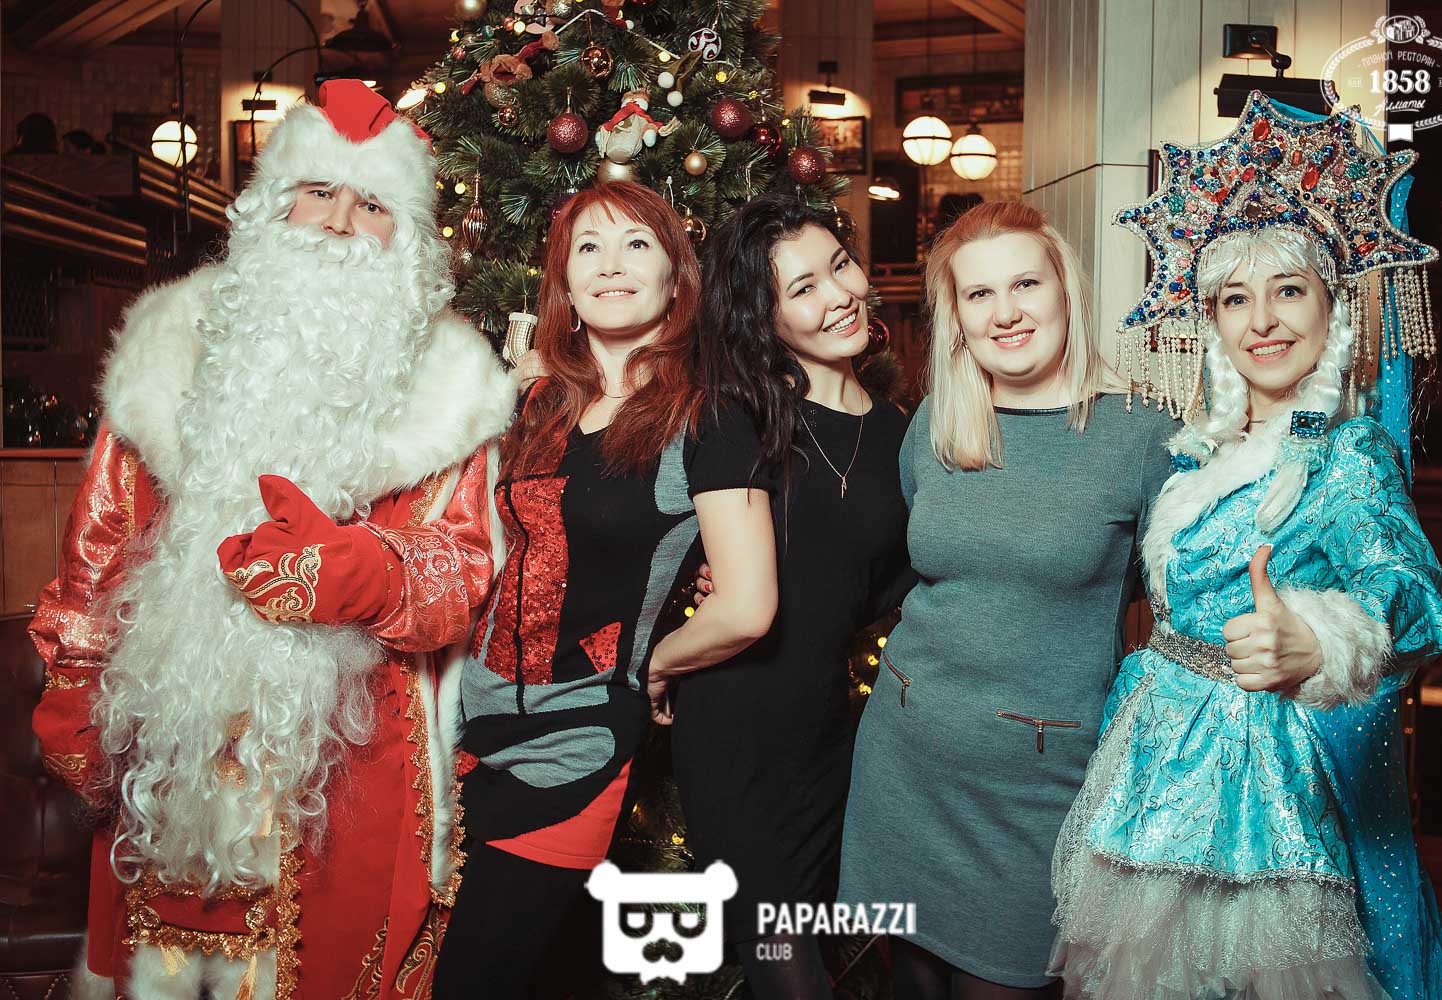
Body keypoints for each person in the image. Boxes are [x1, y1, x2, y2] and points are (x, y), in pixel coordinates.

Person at [28, 81, 514, 998]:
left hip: (350, 772)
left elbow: (463, 572)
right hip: (167, 752)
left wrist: (365, 573)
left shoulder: (451, 387)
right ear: (271, 205)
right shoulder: (169, 353)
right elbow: (99, 547)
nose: (338, 223)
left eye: (372, 204)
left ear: (407, 240)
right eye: (318, 192)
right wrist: (76, 689)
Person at [1049, 92, 1442, 1000]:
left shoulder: (1350, 455)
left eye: (1288, 290)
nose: (1262, 320)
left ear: (1330, 309)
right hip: (1154, 767)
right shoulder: (1201, 452)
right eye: (1236, 298)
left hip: (1256, 793)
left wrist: (1321, 638)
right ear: (1214, 321)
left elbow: (1416, 599)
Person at [432, 181, 779, 997]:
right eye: (588, 247)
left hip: (573, 747)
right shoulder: (535, 403)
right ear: (564, 281)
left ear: (675, 276)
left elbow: (748, 603)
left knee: (472, 982)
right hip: (464, 730)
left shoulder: (708, 415)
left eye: (636, 244)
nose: (610, 265)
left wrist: (653, 667)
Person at [837, 200, 1178, 999]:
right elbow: (911, 563)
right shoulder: (937, 422)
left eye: (1025, 283)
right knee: (909, 985)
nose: (1006, 312)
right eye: (979, 294)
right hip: (905, 764)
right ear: (956, 317)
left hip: (1039, 788)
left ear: (1065, 288)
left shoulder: (1142, 434)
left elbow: (1177, 608)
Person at [672, 195, 913, 999]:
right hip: (736, 730)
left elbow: (881, 587)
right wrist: (657, 663)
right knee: (788, 970)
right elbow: (739, 601)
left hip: (832, 733)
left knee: (817, 949)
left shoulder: (900, 432)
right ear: (766, 318)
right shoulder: (737, 416)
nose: (839, 295)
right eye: (803, 288)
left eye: (840, 266)